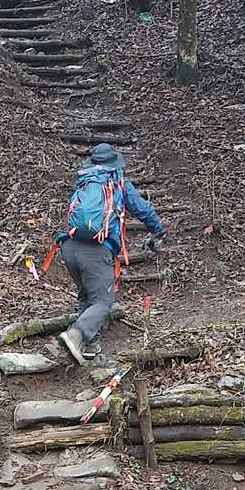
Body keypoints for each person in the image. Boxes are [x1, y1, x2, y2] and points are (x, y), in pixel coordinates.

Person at [54, 142, 165, 366]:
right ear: (114, 163)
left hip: (70, 247)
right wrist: (158, 229)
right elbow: (141, 208)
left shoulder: (84, 181)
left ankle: (89, 344)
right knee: (103, 302)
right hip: (96, 250)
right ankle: (76, 334)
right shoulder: (117, 182)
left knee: (87, 294)